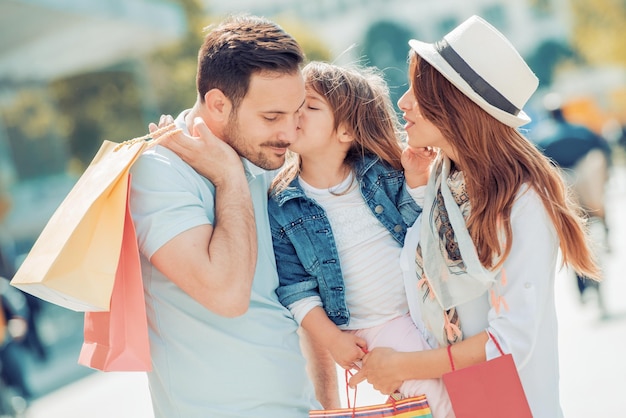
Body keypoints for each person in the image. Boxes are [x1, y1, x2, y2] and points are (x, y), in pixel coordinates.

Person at [348, 15, 600, 418]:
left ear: (456, 105)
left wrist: (402, 365)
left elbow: (510, 342)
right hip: (451, 404)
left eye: (420, 90)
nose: (403, 102)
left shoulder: (522, 201)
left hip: (509, 407)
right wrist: (417, 189)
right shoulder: (445, 186)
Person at [129, 15, 330, 417]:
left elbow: (302, 297)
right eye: (272, 118)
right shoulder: (158, 172)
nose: (288, 134)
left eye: (294, 115)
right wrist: (228, 178)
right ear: (218, 104)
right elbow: (227, 294)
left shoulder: (266, 162)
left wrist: (328, 408)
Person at [268, 61, 452, 416]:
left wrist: (415, 180)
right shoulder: (281, 203)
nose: (296, 114)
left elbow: (415, 231)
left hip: (426, 308)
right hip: (375, 326)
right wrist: (332, 339)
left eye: (310, 106)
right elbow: (295, 289)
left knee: (463, 386)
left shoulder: (378, 174)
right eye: (293, 105)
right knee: (436, 394)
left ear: (346, 131)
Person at [531, 93, 611, 310]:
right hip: (588, 190)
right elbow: (604, 153)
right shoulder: (582, 130)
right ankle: (606, 228)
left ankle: (583, 287)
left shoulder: (541, 136)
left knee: (573, 236)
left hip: (568, 193)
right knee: (596, 213)